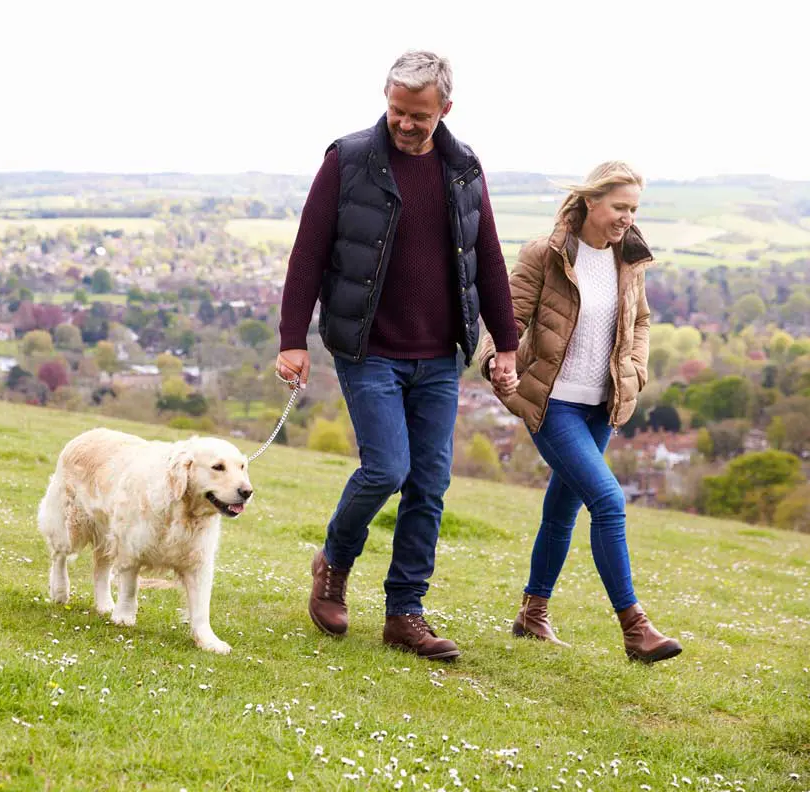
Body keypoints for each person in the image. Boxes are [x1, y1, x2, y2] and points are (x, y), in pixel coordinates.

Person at [275, 50, 519, 660]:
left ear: (445, 109)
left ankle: (404, 613)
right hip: (369, 349)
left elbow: (486, 257)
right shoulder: (349, 158)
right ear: (386, 100)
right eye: (397, 111)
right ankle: (333, 564)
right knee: (387, 469)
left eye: (420, 116)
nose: (406, 125)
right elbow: (308, 251)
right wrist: (291, 339)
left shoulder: (463, 167)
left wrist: (507, 344)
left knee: (429, 483)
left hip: (439, 355)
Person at [478, 161, 682, 664]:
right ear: (591, 202)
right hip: (553, 404)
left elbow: (641, 321)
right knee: (609, 502)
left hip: (600, 407)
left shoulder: (628, 260)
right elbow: (508, 317)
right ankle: (635, 628)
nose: (626, 218)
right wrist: (493, 361)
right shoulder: (544, 255)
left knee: (562, 510)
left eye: (633, 209)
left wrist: (635, 370)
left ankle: (532, 612)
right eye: (619, 207)